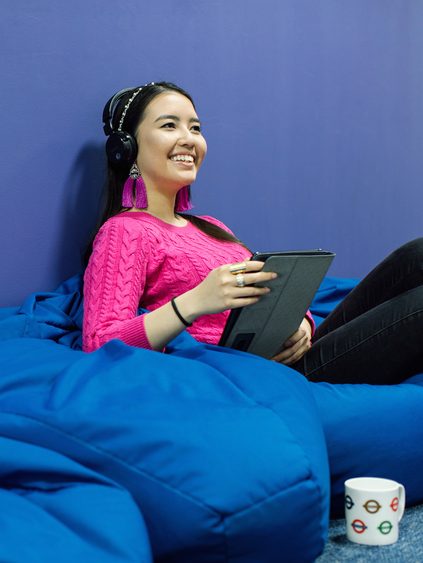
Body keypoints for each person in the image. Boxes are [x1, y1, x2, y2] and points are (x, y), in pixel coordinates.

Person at [83, 81, 423, 385]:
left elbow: (269, 292)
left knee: (415, 255)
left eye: (196, 128)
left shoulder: (212, 227)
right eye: (170, 125)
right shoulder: (125, 230)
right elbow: (100, 341)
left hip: (290, 353)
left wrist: (304, 325)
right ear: (126, 147)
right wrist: (195, 302)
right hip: (252, 373)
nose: (189, 139)